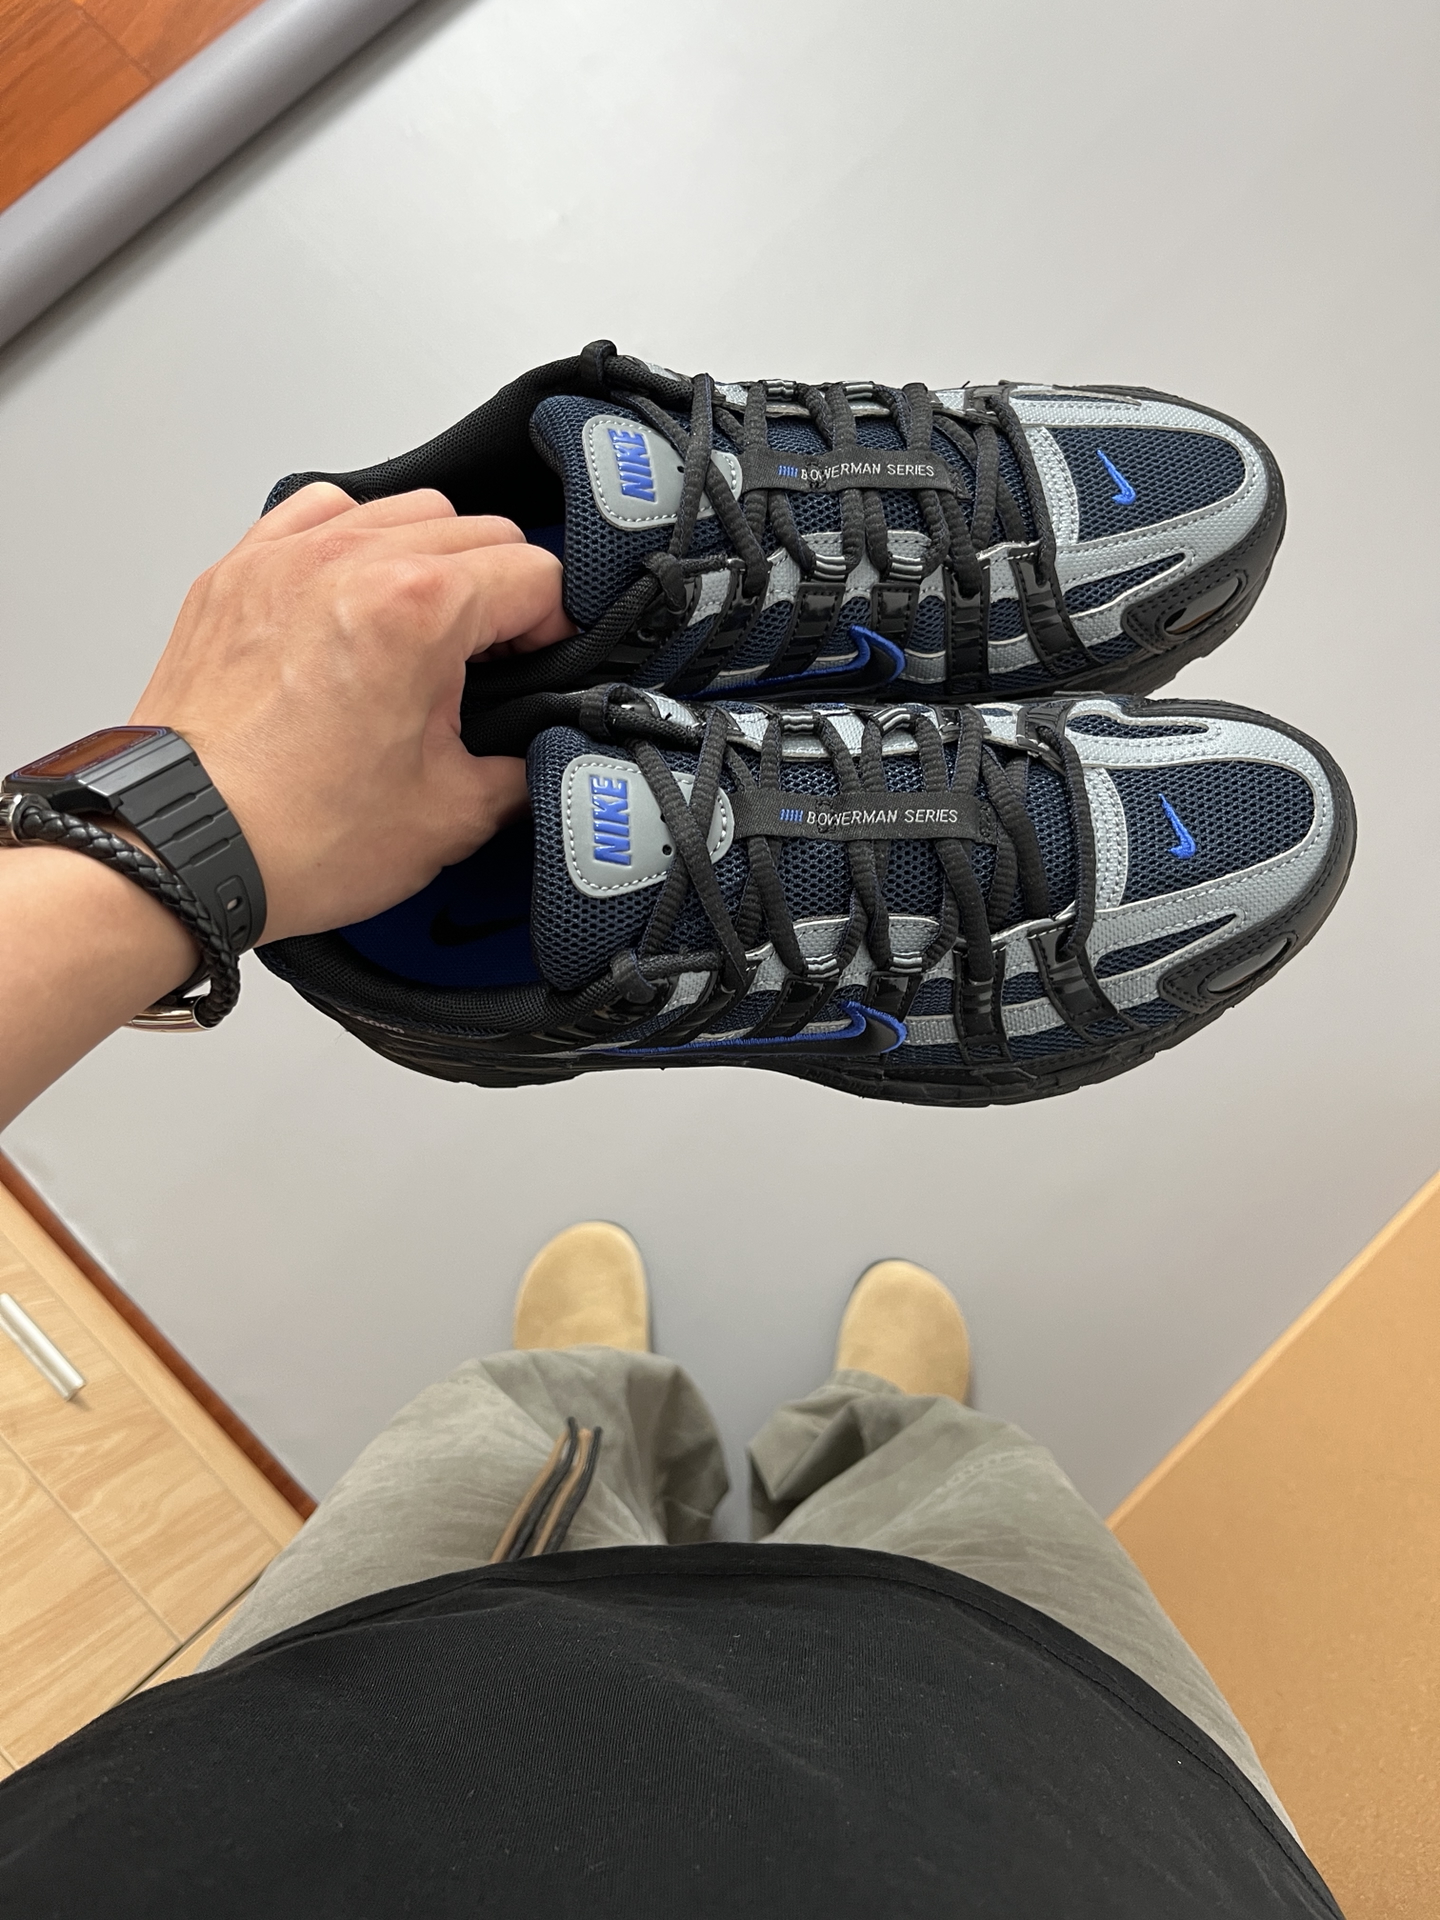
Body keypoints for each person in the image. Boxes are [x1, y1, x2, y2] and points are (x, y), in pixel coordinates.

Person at [0, 488, 1342, 1916]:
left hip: (315, 1781)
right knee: (977, 1506)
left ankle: (593, 1388)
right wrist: (157, 842)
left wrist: (159, 856)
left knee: (511, 1451)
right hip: (1072, 1810)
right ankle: (881, 1428)